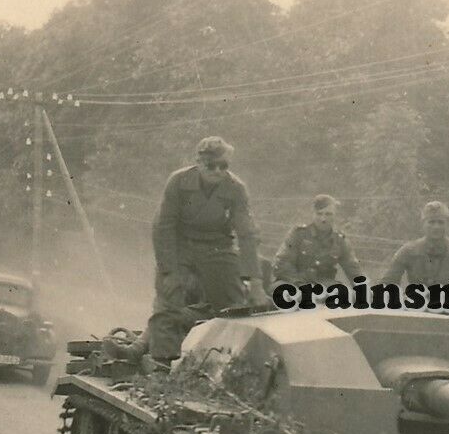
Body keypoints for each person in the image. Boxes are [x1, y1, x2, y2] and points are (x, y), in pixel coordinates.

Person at [146, 136, 270, 363]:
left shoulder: (235, 189)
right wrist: (169, 271)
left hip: (217, 247)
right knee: (168, 303)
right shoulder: (179, 182)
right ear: (198, 162)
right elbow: (163, 227)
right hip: (181, 245)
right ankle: (163, 363)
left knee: (234, 307)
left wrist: (255, 282)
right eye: (211, 166)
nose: (218, 171)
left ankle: (231, 362)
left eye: (224, 166)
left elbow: (246, 234)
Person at [273, 194, 364, 286]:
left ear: (335, 216)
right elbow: (282, 263)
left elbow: (353, 268)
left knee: (342, 292)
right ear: (313, 214)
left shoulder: (339, 239)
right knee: (281, 290)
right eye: (319, 214)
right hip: (293, 281)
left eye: (328, 214)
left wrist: (363, 289)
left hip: (323, 284)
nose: (323, 219)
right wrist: (299, 284)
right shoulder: (298, 234)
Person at [382, 201, 449, 286]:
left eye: (441, 222)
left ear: (448, 225)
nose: (436, 227)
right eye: (431, 222)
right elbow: (387, 283)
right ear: (423, 224)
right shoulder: (408, 251)